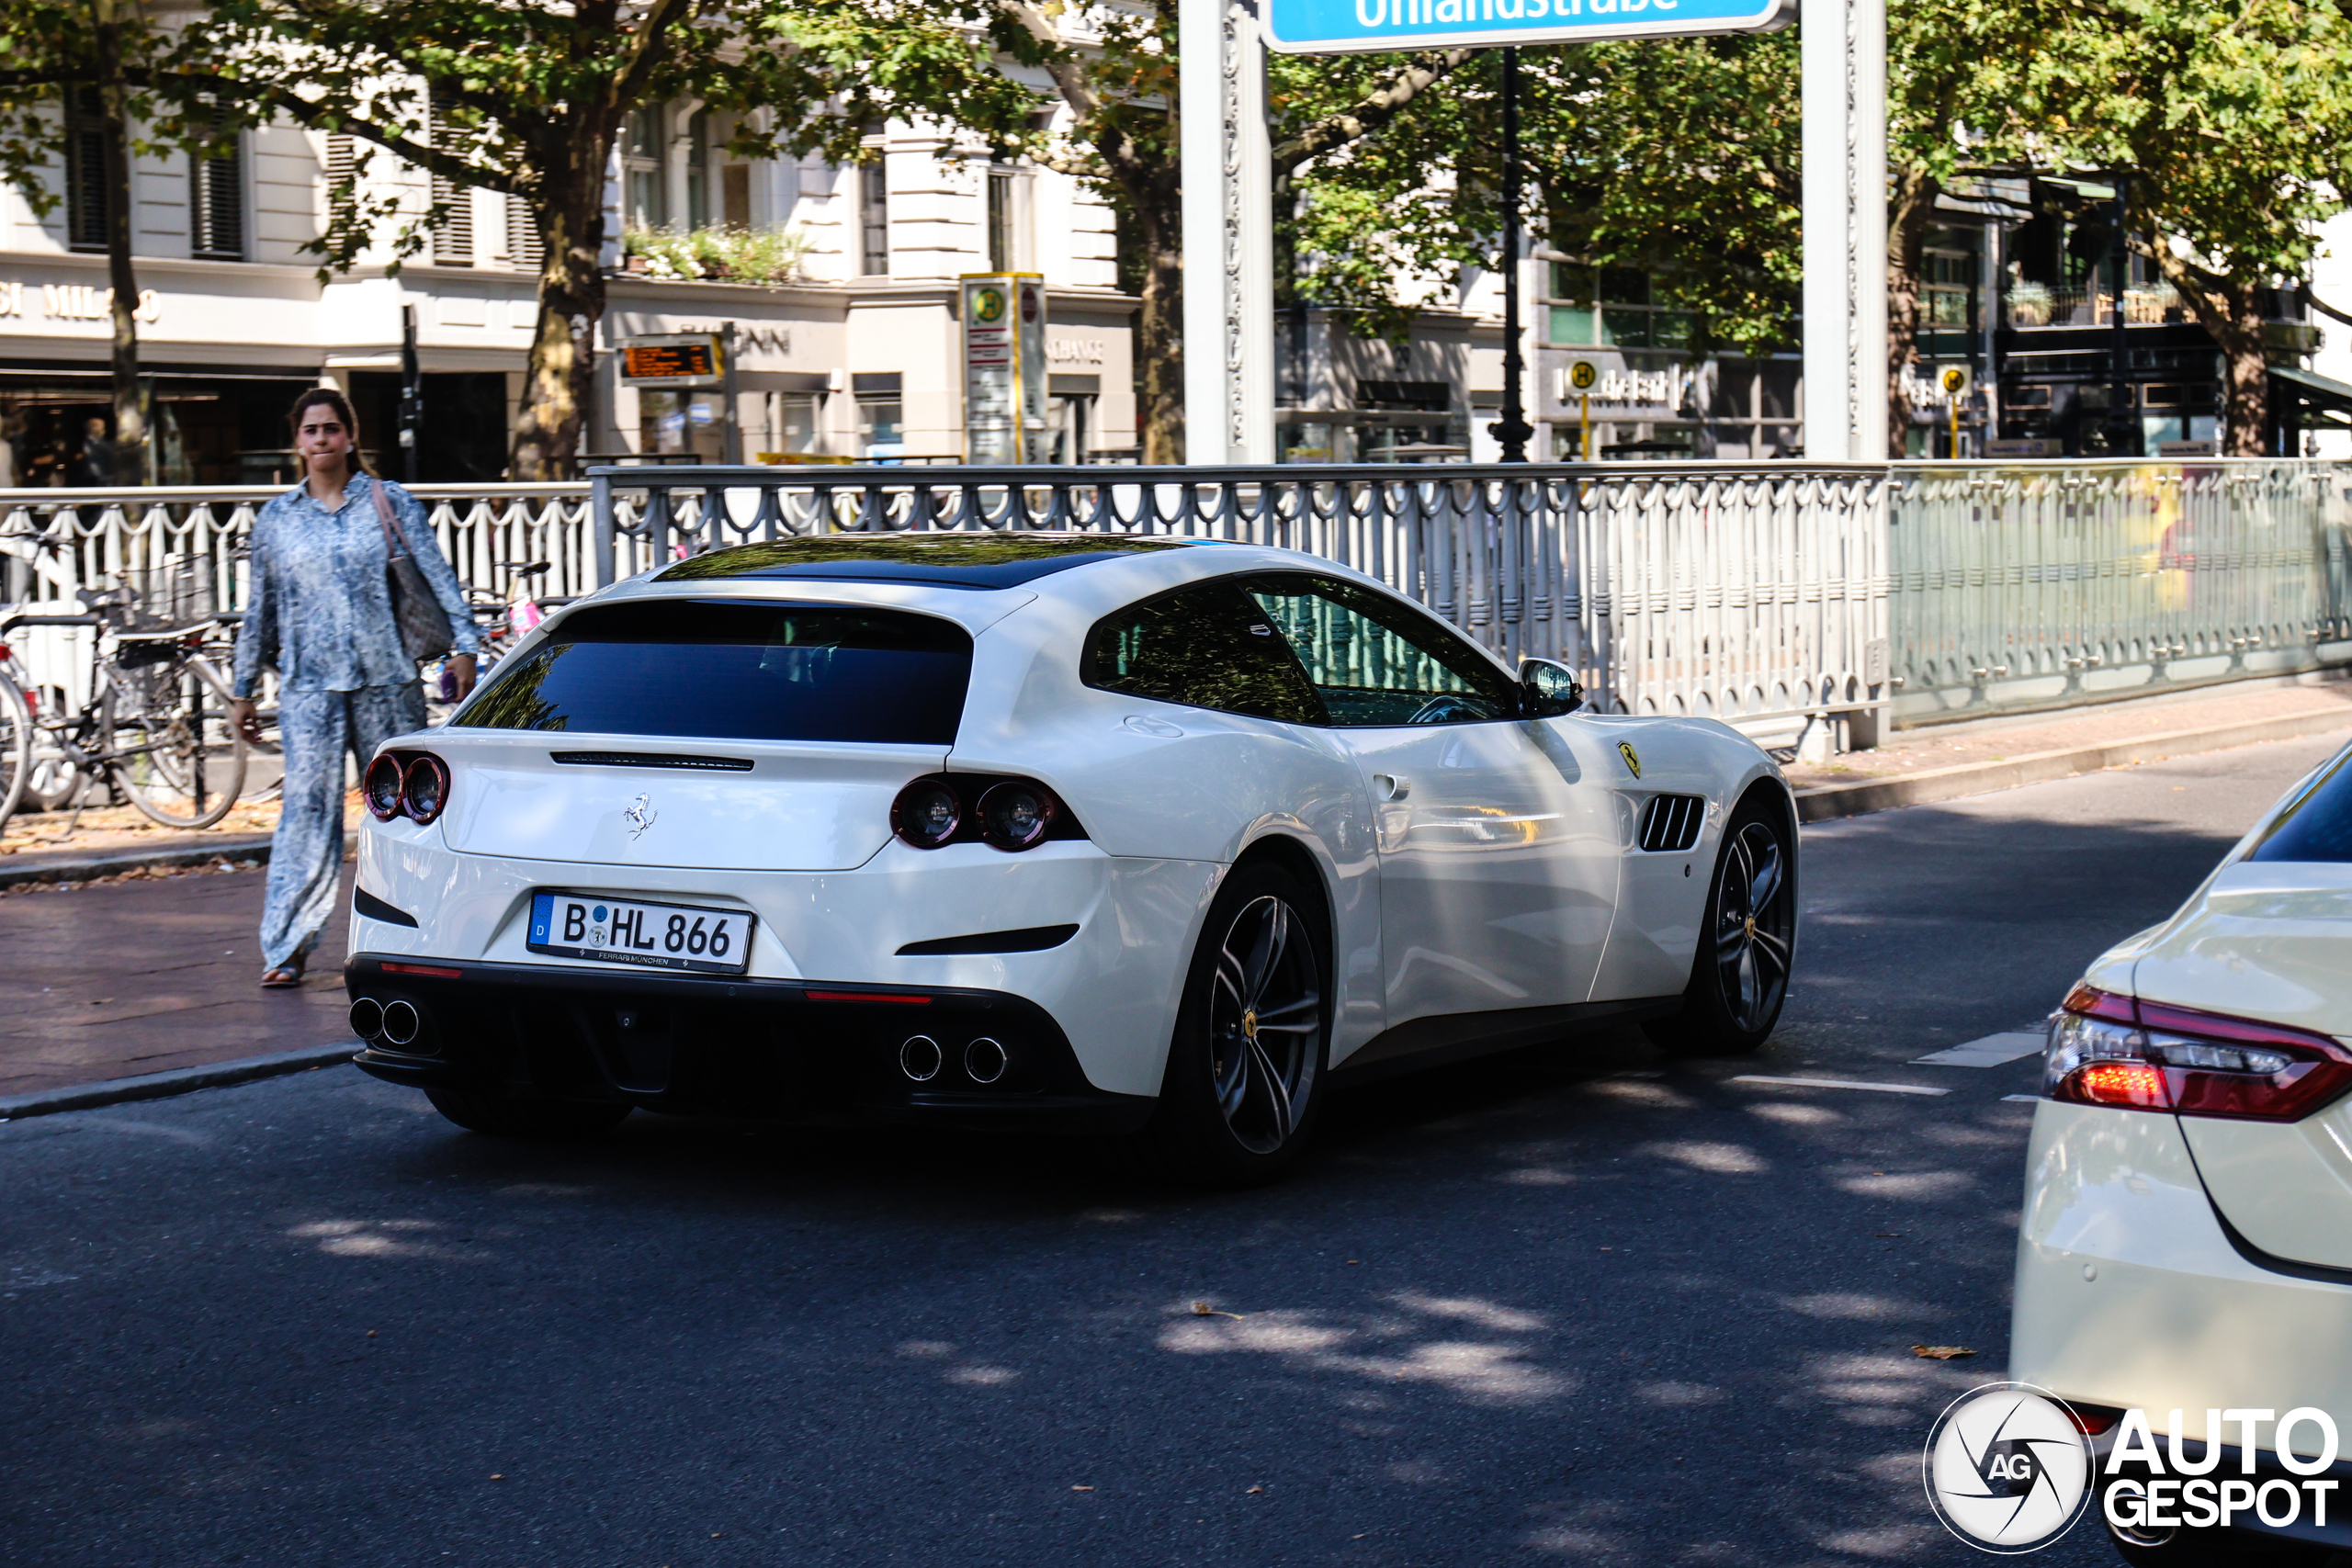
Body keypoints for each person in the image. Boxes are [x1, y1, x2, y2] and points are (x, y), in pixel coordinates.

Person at [229, 388, 480, 988]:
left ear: (349, 436)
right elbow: (259, 610)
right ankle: (286, 947)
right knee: (306, 814)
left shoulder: (387, 502)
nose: (321, 439)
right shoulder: (277, 520)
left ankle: (417, 932)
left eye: (331, 429)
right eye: (311, 430)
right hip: (309, 689)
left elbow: (435, 575)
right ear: (298, 441)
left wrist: (464, 644)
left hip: (386, 681)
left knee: (404, 811)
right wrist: (241, 687)